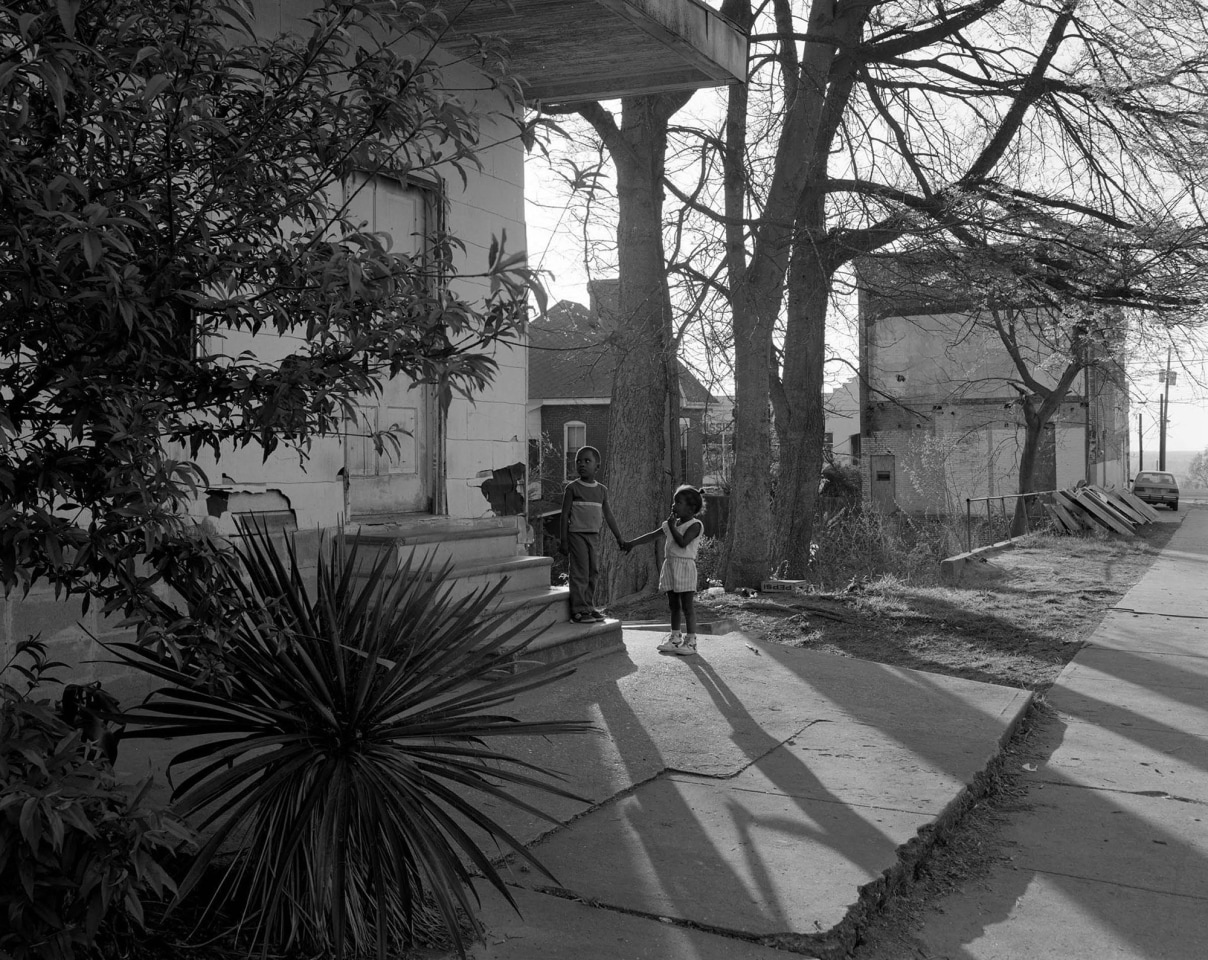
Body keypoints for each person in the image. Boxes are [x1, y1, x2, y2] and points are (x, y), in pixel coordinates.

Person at [624, 484, 704, 655]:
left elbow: (683, 543)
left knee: (687, 606)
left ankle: (691, 642)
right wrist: (631, 544)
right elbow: (653, 535)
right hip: (670, 565)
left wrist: (672, 527)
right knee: (674, 604)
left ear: (691, 508)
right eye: (674, 502)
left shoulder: (695, 525)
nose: (673, 505)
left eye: (678, 502)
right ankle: (675, 639)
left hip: (685, 566)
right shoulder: (671, 525)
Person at [560, 445, 625, 623]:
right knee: (580, 571)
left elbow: (609, 515)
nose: (582, 464)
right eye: (578, 461)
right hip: (576, 535)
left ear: (597, 467)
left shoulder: (601, 490)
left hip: (594, 536)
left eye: (587, 461)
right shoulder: (572, 488)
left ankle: (589, 606)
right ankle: (578, 610)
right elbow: (564, 515)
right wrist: (563, 540)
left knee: (593, 571)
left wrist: (619, 537)